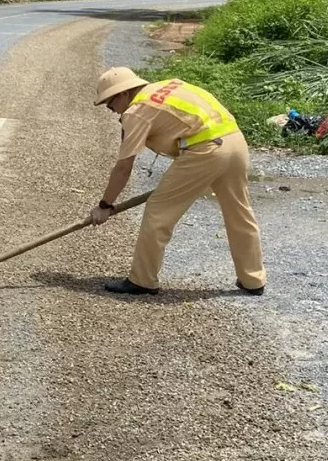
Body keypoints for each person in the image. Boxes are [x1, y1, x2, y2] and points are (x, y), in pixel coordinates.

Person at [87, 67, 266, 296]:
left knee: (158, 211)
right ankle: (253, 280)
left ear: (123, 94)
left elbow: (124, 167)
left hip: (205, 150)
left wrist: (105, 205)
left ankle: (142, 280)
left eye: (110, 104)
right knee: (239, 212)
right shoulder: (169, 85)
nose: (111, 111)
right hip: (234, 141)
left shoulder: (137, 111)